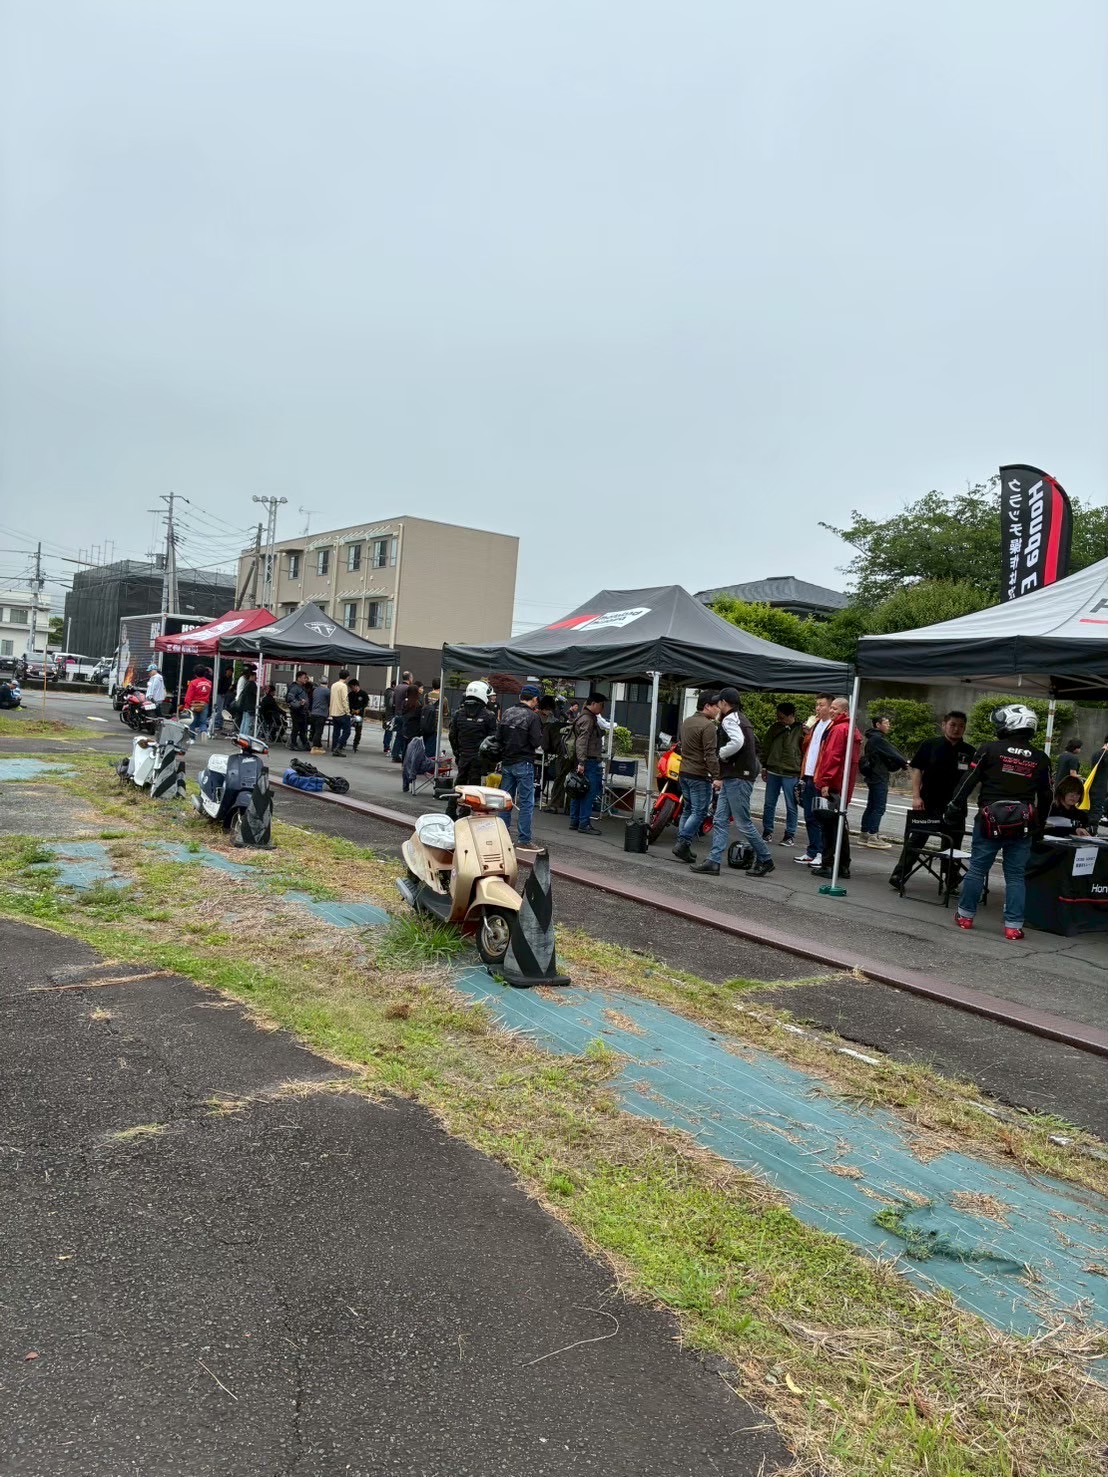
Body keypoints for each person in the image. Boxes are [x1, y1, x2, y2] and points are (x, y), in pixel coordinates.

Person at [950, 704, 1052, 940]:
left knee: (977, 869)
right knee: (1015, 875)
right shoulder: (1041, 758)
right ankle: (1013, 926)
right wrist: (1039, 825)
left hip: (989, 821)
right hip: (1022, 825)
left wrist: (954, 805)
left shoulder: (990, 749)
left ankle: (965, 916)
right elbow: (1047, 795)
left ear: (1011, 724)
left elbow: (969, 780)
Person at [692, 688, 774, 878]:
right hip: (736, 776)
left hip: (737, 777)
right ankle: (713, 861)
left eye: (719, 702)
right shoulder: (741, 718)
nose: (717, 705)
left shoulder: (730, 719)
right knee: (720, 820)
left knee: (743, 822)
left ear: (725, 703)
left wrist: (720, 753)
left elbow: (737, 742)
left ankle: (765, 858)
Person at [889, 711, 975, 888]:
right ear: (944, 725)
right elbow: (916, 769)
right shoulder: (930, 744)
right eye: (953, 724)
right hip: (929, 801)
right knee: (917, 839)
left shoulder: (969, 751)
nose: (956, 729)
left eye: (961, 725)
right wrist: (916, 796)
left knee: (953, 843)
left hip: (955, 806)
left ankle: (950, 880)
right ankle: (899, 875)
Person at [810, 697, 864, 880]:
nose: (831, 711)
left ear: (843, 711)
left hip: (834, 783)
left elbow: (832, 757)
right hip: (843, 784)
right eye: (831, 707)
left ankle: (828, 864)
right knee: (840, 825)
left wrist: (825, 782)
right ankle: (843, 864)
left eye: (834, 708)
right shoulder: (851, 729)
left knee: (829, 825)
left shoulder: (838, 729)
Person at [672, 691, 720, 863]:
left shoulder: (687, 722)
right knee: (699, 811)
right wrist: (717, 775)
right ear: (707, 706)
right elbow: (710, 754)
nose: (718, 709)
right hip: (699, 774)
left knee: (688, 809)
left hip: (684, 771)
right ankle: (683, 843)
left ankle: (682, 843)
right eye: (716, 706)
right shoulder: (708, 727)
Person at [498, 683, 544, 847]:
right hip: (524, 762)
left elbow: (499, 737)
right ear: (535, 699)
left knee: (505, 801)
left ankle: (501, 836)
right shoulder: (532, 717)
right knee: (526, 802)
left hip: (507, 761)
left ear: (520, 697)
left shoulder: (508, 712)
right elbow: (536, 741)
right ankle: (524, 839)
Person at [795, 694, 835, 866]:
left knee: (821, 816)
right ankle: (812, 850)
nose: (818, 708)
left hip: (821, 775)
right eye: (817, 705)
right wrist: (807, 733)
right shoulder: (817, 724)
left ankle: (821, 852)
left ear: (831, 707)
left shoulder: (832, 726)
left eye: (821, 705)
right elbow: (806, 748)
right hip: (809, 774)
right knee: (809, 815)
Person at [858, 714, 908, 849]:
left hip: (873, 776)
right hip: (879, 776)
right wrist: (904, 763)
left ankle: (864, 834)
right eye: (886, 723)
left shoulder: (872, 739)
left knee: (871, 805)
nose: (888, 725)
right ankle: (873, 835)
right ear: (877, 725)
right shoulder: (878, 739)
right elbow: (893, 753)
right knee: (879, 806)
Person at [760, 702, 803, 846]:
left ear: (791, 715)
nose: (779, 719)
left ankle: (790, 834)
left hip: (791, 772)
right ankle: (767, 832)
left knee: (791, 805)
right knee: (769, 803)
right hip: (773, 769)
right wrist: (764, 765)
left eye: (782, 716)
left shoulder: (801, 730)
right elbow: (766, 747)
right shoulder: (774, 728)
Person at [569, 692, 607, 836]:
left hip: (583, 760)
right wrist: (582, 761)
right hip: (588, 760)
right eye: (601, 705)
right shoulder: (588, 719)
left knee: (578, 790)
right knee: (587, 792)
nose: (602, 709)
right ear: (594, 704)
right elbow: (582, 741)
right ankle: (584, 823)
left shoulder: (582, 717)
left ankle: (575, 821)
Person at [449, 680, 498, 785]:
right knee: (474, 787)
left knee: (460, 783)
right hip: (479, 757)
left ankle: (454, 801)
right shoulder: (489, 715)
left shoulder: (459, 714)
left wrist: (457, 752)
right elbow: (493, 739)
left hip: (463, 755)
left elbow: (452, 736)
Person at [182, 665, 213, 736]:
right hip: (204, 704)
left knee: (192, 722)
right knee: (203, 722)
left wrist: (187, 705)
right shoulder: (209, 683)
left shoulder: (193, 682)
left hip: (194, 704)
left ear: (195, 673)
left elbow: (189, 696)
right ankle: (204, 731)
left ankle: (192, 737)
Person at [285, 671, 311, 751]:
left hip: (302, 711)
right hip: (297, 711)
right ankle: (293, 744)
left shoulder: (301, 687)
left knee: (302, 728)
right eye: (304, 678)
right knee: (296, 728)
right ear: (298, 678)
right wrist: (299, 703)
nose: (305, 679)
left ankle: (304, 743)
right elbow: (289, 698)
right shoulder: (295, 687)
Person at [391, 670, 413, 761]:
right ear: (410, 678)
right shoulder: (408, 688)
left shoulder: (397, 687)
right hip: (404, 714)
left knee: (398, 735)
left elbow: (393, 701)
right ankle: (397, 754)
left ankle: (395, 753)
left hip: (397, 713)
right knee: (403, 735)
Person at [329, 668, 351, 755]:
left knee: (336, 731)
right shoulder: (343, 686)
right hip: (341, 712)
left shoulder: (333, 685)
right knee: (347, 731)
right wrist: (347, 711)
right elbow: (344, 700)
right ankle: (339, 747)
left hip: (333, 711)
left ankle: (334, 747)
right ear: (347, 677)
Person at [309, 676, 331, 753]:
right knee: (319, 731)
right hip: (321, 713)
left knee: (314, 730)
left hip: (313, 713)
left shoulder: (315, 690)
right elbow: (329, 702)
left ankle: (318, 745)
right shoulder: (327, 691)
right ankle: (315, 747)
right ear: (327, 682)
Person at [348, 678, 368, 752]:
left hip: (359, 715)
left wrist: (360, 709)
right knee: (347, 729)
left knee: (358, 731)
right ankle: (343, 743)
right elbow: (348, 703)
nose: (352, 689)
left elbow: (365, 704)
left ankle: (355, 744)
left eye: (352, 687)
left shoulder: (363, 694)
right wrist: (351, 710)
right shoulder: (350, 694)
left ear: (356, 686)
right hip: (351, 714)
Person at [237, 668, 258, 737]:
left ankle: (241, 735)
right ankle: (246, 737)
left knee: (244, 721)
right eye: (255, 676)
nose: (256, 678)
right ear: (252, 676)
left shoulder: (246, 684)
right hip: (250, 706)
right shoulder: (252, 684)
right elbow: (256, 695)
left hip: (245, 706)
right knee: (248, 723)